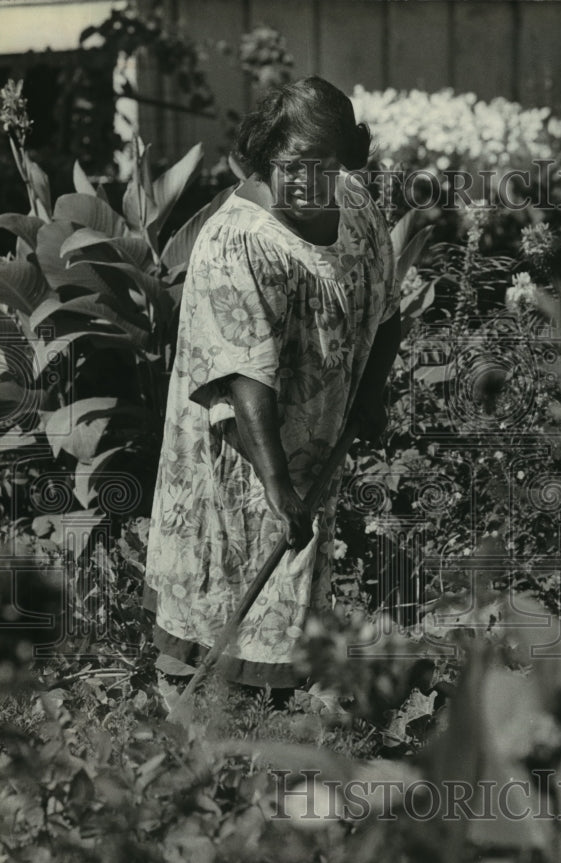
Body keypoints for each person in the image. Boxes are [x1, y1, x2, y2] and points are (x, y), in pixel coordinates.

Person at [143, 76, 401, 694]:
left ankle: (275, 728)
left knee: (291, 593)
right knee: (225, 569)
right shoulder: (237, 243)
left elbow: (387, 310)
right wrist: (277, 483)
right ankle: (191, 708)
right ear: (264, 158)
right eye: (295, 166)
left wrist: (372, 393)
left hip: (312, 443)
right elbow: (241, 380)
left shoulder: (358, 207)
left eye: (328, 166)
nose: (312, 183)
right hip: (242, 448)